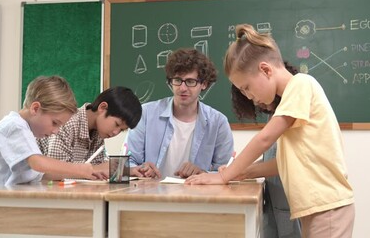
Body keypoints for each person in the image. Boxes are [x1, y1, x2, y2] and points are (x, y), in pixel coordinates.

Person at [186, 24, 354, 238]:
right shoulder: (292, 103)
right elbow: (283, 162)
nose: (247, 96)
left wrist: (225, 175)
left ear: (265, 70)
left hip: (329, 207)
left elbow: (264, 139)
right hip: (318, 208)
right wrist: (241, 172)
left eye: (246, 87)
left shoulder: (301, 84)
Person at [126, 48, 234, 179]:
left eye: (190, 82)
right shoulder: (146, 114)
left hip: (196, 196)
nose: (182, 88)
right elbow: (128, 162)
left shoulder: (218, 122)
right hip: (151, 194)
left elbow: (226, 170)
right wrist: (141, 169)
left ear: (204, 84)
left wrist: (203, 173)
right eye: (177, 80)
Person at [0, 75, 99, 188]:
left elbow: (40, 173)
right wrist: (80, 169)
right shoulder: (14, 126)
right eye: (55, 123)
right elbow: (39, 164)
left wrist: (84, 172)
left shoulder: (26, 130)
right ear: (35, 108)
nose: (56, 131)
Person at [229, 62, 301, 238]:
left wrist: (240, 171)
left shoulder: (295, 102)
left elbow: (284, 160)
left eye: (250, 90)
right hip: (277, 203)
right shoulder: (274, 116)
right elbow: (273, 156)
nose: (254, 99)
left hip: (294, 203)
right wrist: (241, 170)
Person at [37, 86, 142, 176]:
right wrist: (100, 168)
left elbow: (101, 166)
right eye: (117, 124)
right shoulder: (67, 122)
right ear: (102, 107)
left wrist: (130, 171)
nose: (116, 132)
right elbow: (55, 171)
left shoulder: (99, 132)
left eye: (122, 130)